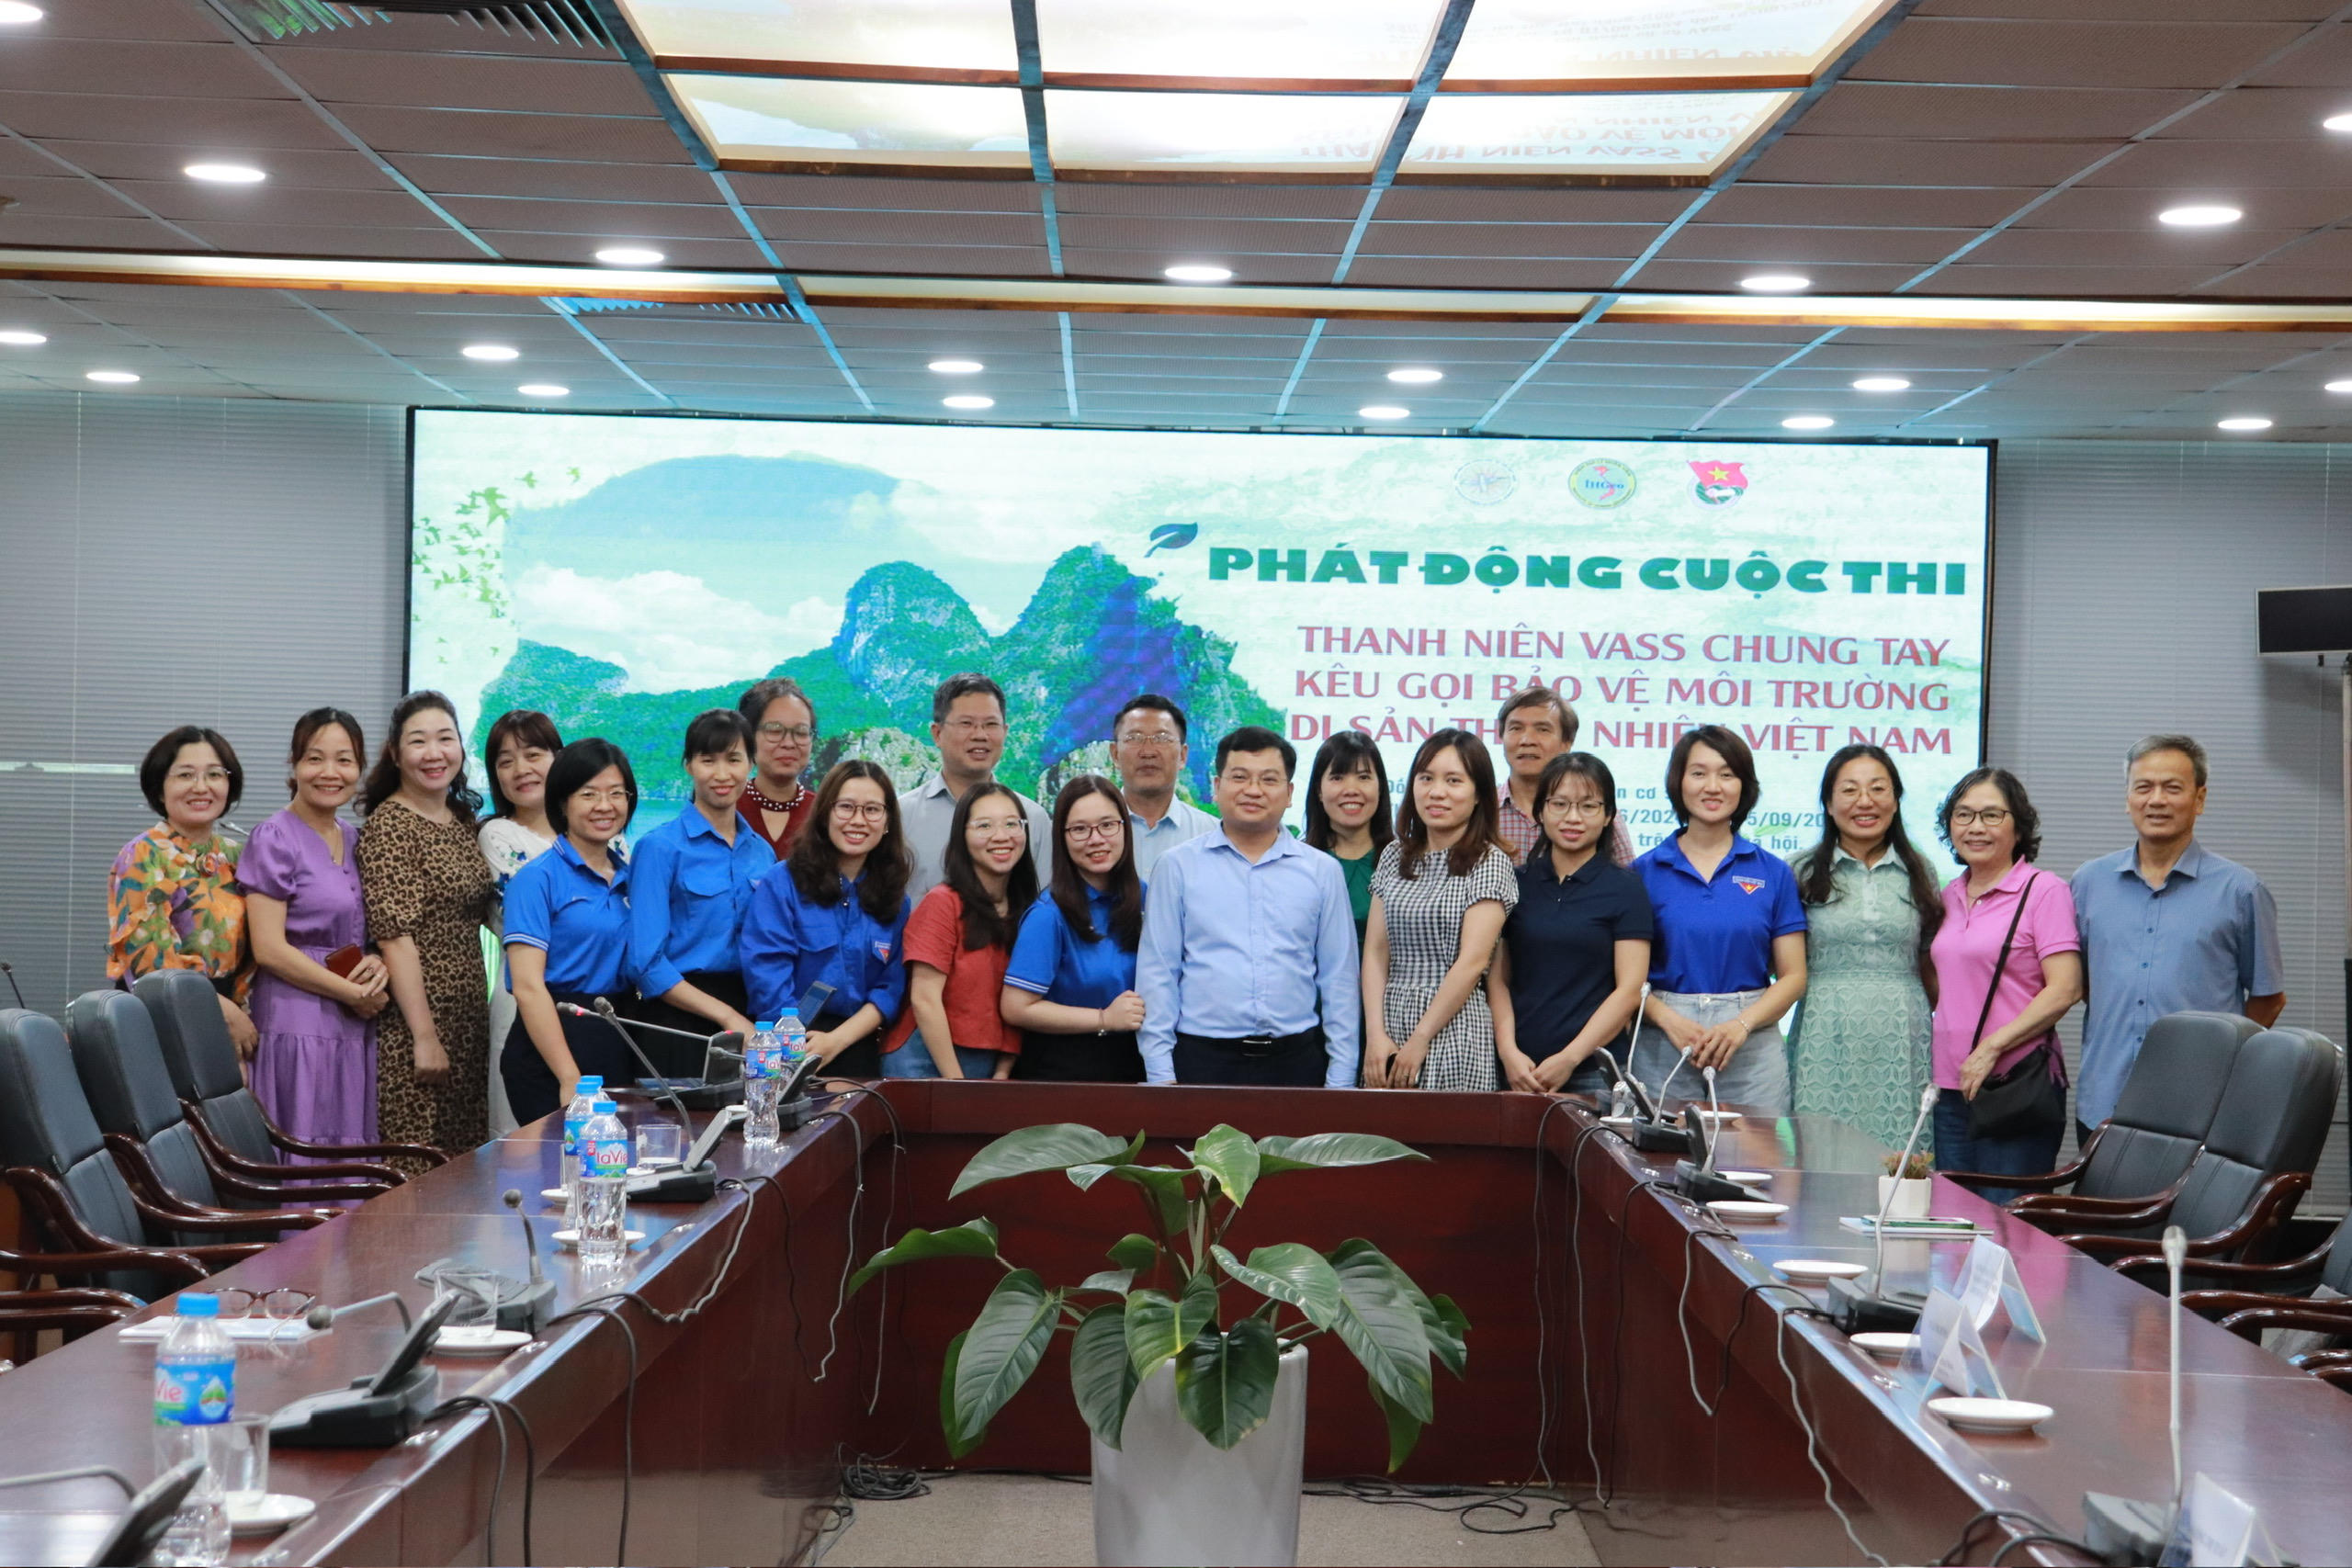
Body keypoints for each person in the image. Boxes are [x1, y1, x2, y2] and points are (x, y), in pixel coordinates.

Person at [2071, 734, 2285, 1147]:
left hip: (2201, 1109)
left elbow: (2269, 998)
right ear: (2128, 797)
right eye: (2143, 787)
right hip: (2105, 1101)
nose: (2157, 800)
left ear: (2199, 798)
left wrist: (2221, 1060)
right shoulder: (2088, 883)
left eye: (2172, 787)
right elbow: (2081, 984)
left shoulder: (2241, 890)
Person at [1136, 727, 1360, 1088]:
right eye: (1239, 777)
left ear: (1289, 793)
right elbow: (1158, 974)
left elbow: (1340, 980)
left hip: (1297, 1062)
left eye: (1269, 780)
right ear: (1216, 786)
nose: (1253, 790)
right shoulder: (1177, 866)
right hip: (1201, 1060)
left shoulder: (1322, 871)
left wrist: (1342, 1077)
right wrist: (1161, 1072)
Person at [1631, 725, 1807, 1114]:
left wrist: (1740, 1025)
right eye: (1699, 773)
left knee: (1757, 1152)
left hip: (1751, 1045)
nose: (1713, 787)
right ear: (1678, 782)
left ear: (1744, 786)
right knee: (1660, 1149)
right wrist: (1668, 1019)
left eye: (1727, 774)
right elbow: (1624, 978)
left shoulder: (1773, 872)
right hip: (1663, 1043)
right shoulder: (1643, 872)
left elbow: (1794, 976)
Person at [1928, 767, 2084, 1200]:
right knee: (1955, 1218)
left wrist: (1992, 1048)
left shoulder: (2044, 891)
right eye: (1963, 815)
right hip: (1950, 1087)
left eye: (1992, 815)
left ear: (2018, 826)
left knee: (2007, 1222)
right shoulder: (1948, 895)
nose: (1975, 827)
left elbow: (2065, 988)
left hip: (2015, 1087)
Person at [241, 708, 390, 1153]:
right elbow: (268, 948)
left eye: (344, 760)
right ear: (294, 764)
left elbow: (360, 932)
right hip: (295, 1018)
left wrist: (376, 963)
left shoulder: (355, 838)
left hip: (352, 1024)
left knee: (345, 1149)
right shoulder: (273, 837)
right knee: (302, 1143)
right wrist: (353, 994)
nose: (330, 772)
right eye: (315, 758)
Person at [358, 692, 496, 1163]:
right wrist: (424, 1036)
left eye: (445, 739)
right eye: (418, 741)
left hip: (467, 1020)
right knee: (416, 1169)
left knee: (462, 1167)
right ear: (396, 754)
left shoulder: (459, 821)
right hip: (415, 1023)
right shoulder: (390, 826)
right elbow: (394, 938)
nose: (434, 753)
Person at [1785, 745, 1943, 1147]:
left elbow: (1930, 961)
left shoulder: (1921, 871)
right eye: (1850, 790)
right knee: (1822, 1153)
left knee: (1900, 1158)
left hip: (1903, 1034)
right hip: (1825, 1031)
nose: (1865, 801)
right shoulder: (1799, 871)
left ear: (1896, 799)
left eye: (1877, 788)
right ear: (1828, 803)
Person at [1363, 728, 1518, 1091]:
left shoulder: (1490, 862)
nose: (1436, 792)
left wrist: (1421, 1038)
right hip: (1390, 1020)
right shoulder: (1394, 855)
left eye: (1453, 781)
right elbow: (1375, 952)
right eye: (1426, 778)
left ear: (1478, 794)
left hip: (1454, 1026)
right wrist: (1375, 1034)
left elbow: (1473, 963)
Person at [1492, 753, 1653, 1096]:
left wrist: (1570, 1057)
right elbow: (1498, 980)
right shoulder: (1514, 882)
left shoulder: (1626, 888)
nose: (1573, 817)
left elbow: (1629, 989)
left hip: (1595, 1072)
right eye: (1560, 804)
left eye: (1588, 806)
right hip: (1518, 1068)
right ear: (1540, 811)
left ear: (1608, 815)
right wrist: (1507, 1052)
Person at [741, 759, 912, 1077]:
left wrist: (837, 1041)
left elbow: (890, 988)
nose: (858, 820)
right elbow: (767, 974)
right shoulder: (783, 882)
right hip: (785, 1043)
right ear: (825, 814)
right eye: (846, 807)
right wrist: (795, 1046)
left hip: (855, 1044)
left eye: (872, 810)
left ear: (888, 821)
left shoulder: (896, 899)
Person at [500, 739, 639, 1125]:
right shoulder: (536, 879)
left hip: (617, 1033)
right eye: (588, 794)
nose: (604, 805)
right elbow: (528, 987)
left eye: (616, 793)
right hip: (552, 1044)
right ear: (562, 802)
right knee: (563, 1159)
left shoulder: (632, 877)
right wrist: (568, 1075)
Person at [627, 710, 770, 1071]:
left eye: (733, 759)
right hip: (679, 1020)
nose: (722, 774)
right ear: (689, 765)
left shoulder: (762, 853)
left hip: (751, 1018)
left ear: (751, 765)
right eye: (708, 760)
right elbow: (646, 964)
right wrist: (728, 1017)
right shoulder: (659, 847)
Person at [109, 726, 255, 1055]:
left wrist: (240, 1009)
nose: (201, 787)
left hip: (233, 1016)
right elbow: (150, 962)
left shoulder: (237, 855)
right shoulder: (144, 854)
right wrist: (224, 1012)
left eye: (214, 774)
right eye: (185, 775)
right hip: (161, 1019)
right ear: (160, 788)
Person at [880, 781, 1036, 1079]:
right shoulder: (943, 902)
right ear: (962, 836)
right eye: (984, 826)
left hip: (989, 1064)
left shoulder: (1028, 909)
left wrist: (1003, 1070)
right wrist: (956, 1083)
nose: (1001, 836)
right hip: (925, 1060)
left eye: (1011, 824)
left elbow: (1019, 1000)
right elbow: (925, 999)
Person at [1001, 775, 1149, 1083]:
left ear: (1125, 828)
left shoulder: (1147, 896)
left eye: (1107, 825)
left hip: (1139, 1061)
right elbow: (1016, 1008)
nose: (1096, 839)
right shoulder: (1048, 914)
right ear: (1062, 838)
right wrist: (1104, 1018)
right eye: (1080, 829)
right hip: (1068, 1070)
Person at [479, 708, 563, 1137]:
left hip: (590, 999)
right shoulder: (497, 835)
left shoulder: (606, 833)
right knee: (523, 1138)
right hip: (523, 992)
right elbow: (541, 919)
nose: (521, 769)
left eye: (533, 754)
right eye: (506, 761)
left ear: (558, 758)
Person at [899, 672, 1050, 902]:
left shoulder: (1032, 818)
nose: (980, 735)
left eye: (991, 724)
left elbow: (1045, 904)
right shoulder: (901, 815)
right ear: (937, 734)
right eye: (966, 724)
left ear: (1005, 732)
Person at [1492, 686, 1632, 866]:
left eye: (1542, 730)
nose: (1527, 740)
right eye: (1516, 728)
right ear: (1501, 736)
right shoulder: (1481, 810)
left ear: (1567, 742)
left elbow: (1626, 875)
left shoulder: (1594, 811)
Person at [1302, 730, 1394, 945]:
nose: (1351, 790)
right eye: (1337, 778)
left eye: (1364, 777)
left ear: (1380, 787)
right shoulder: (1299, 863)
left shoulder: (1405, 862)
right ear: (1319, 790)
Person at [1110, 694, 1216, 876]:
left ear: (1182, 756)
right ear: (1115, 755)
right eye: (1134, 738)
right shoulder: (1084, 835)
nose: (1148, 752)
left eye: (1162, 738)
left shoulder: (1212, 836)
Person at [736, 677, 820, 860]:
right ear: (748, 737)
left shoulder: (825, 813)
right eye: (774, 730)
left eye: (801, 732)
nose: (789, 743)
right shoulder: (726, 808)